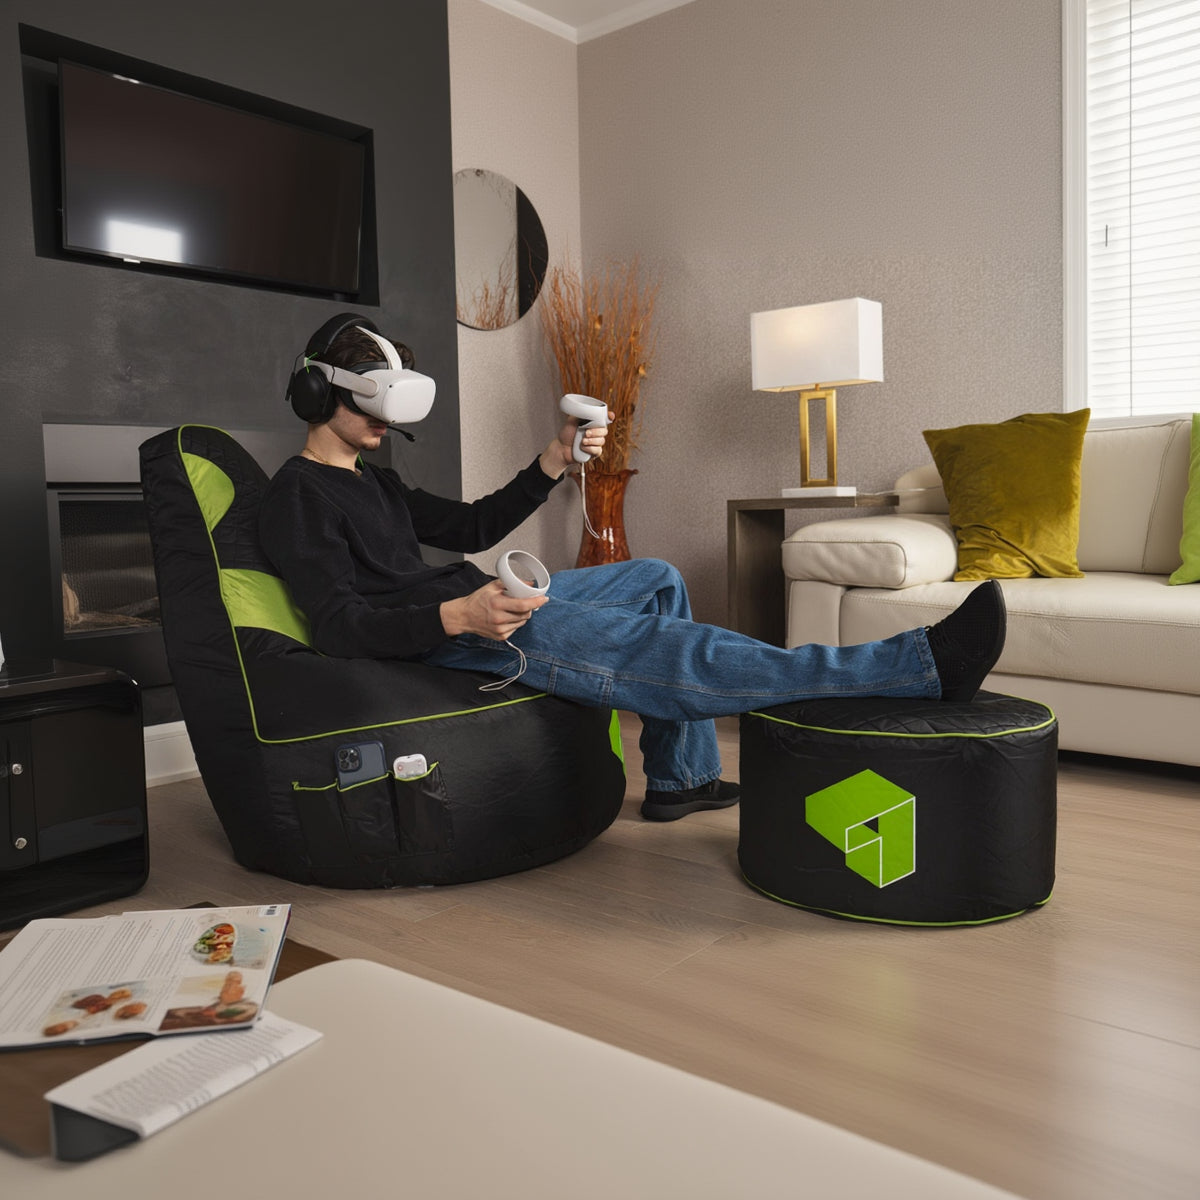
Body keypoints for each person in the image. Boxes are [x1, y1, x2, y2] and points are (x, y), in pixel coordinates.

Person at [259, 319, 1006, 822]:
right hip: (456, 633)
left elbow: (470, 527)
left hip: (476, 601)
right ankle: (910, 665)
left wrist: (553, 461)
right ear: (320, 393)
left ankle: (682, 780)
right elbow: (337, 624)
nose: (386, 424)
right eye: (371, 406)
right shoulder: (298, 493)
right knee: (670, 649)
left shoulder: (372, 479)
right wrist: (456, 617)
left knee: (653, 577)